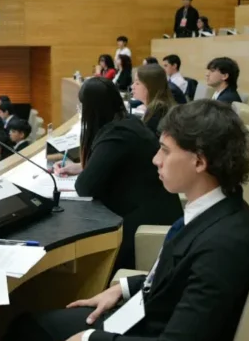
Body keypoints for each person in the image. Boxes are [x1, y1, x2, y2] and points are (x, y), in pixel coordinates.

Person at [0, 100, 249, 341]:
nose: (156, 159)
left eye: (166, 151)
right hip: (144, 316)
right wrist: (123, 289)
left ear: (199, 161)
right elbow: (179, 278)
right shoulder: (214, 205)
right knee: (26, 326)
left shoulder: (224, 244)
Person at [53, 77, 182, 271]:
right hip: (154, 206)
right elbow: (116, 162)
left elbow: (84, 187)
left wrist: (88, 170)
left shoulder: (116, 134)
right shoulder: (126, 121)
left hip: (144, 220)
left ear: (92, 109)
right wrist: (83, 166)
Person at [132, 64, 176, 136]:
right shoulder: (157, 106)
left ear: (150, 87)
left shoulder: (158, 111)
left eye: (137, 83)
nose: (132, 86)